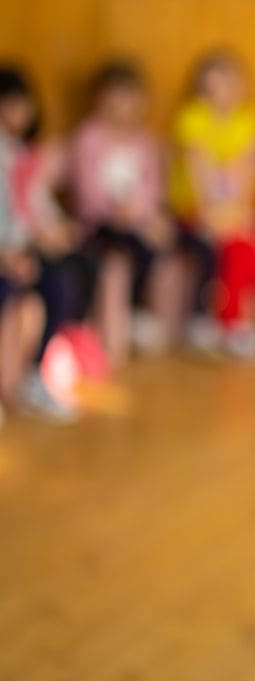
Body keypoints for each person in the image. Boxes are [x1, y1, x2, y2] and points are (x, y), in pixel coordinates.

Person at [169, 50, 255, 359]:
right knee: (240, 244)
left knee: (247, 244)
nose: (222, 93)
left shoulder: (249, 121)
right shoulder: (192, 119)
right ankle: (253, 318)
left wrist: (239, 213)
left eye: (229, 84)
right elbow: (198, 172)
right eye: (213, 86)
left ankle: (243, 320)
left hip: (234, 213)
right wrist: (215, 214)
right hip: (194, 212)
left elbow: (251, 171)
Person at [70, 61, 179, 366]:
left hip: (137, 223)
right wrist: (120, 212)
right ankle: (114, 337)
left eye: (127, 97)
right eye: (112, 98)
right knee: (116, 263)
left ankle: (148, 323)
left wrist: (140, 214)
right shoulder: (88, 138)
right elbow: (87, 193)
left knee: (165, 244)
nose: (119, 106)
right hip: (98, 226)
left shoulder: (144, 141)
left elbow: (152, 189)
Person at [0, 65, 78, 420]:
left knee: (59, 284)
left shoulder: (23, 155)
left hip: (18, 249)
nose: (15, 114)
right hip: (6, 253)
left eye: (21, 104)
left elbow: (31, 206)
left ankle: (35, 374)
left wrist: (53, 232)